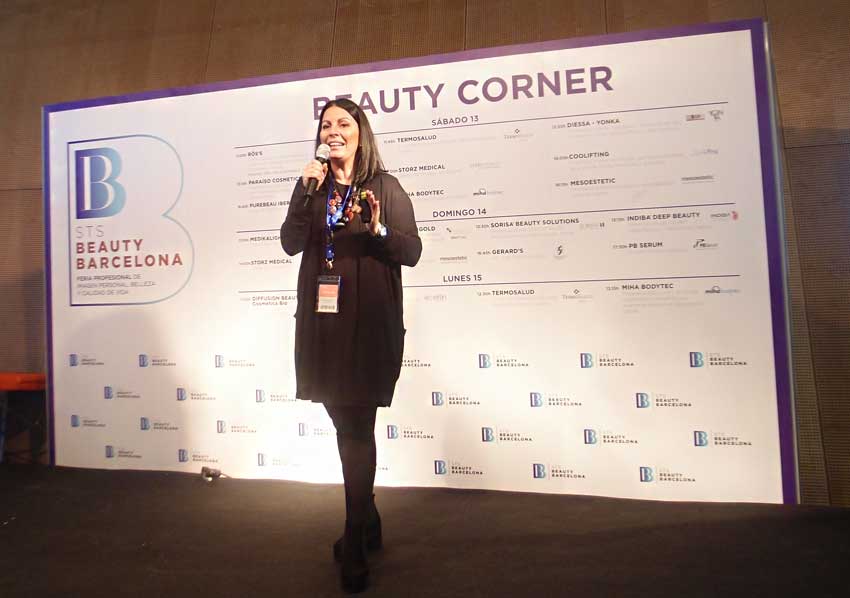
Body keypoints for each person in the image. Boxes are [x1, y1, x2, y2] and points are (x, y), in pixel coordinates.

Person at [280, 98, 422, 593]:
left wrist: (378, 227)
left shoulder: (385, 187)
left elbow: (412, 251)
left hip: (370, 324)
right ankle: (369, 515)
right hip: (324, 325)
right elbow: (290, 243)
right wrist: (304, 192)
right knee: (346, 424)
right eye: (326, 124)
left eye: (344, 123)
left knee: (357, 428)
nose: (333, 131)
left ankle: (355, 538)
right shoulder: (312, 187)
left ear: (361, 133)